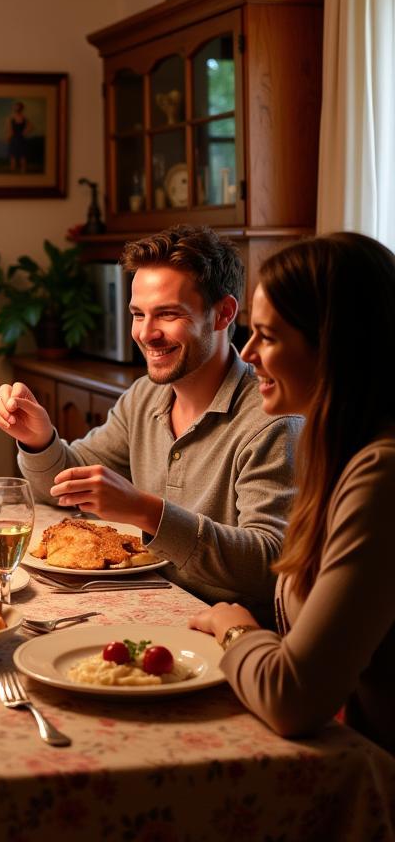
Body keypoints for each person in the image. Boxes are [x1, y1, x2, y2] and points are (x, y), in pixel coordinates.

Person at [0, 225, 300, 613]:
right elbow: (67, 485)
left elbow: (271, 563)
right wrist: (39, 440)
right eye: (139, 314)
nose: (147, 334)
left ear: (223, 315)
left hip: (227, 634)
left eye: (167, 314)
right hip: (148, 603)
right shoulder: (145, 396)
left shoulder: (273, 421)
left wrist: (146, 512)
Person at [190, 233, 395, 752]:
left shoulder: (381, 475)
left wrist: (233, 625)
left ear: (333, 347)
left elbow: (293, 698)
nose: (249, 353)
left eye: (269, 336)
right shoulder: (340, 453)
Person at [6, 100, 32, 174]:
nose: (16, 109)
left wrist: (25, 132)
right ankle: (14, 170)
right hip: (15, 138)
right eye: (16, 108)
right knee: (14, 155)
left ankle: (22, 170)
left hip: (20, 138)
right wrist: (9, 137)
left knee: (22, 155)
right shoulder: (12, 118)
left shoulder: (23, 118)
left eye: (17, 108)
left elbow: (31, 127)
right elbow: (10, 129)